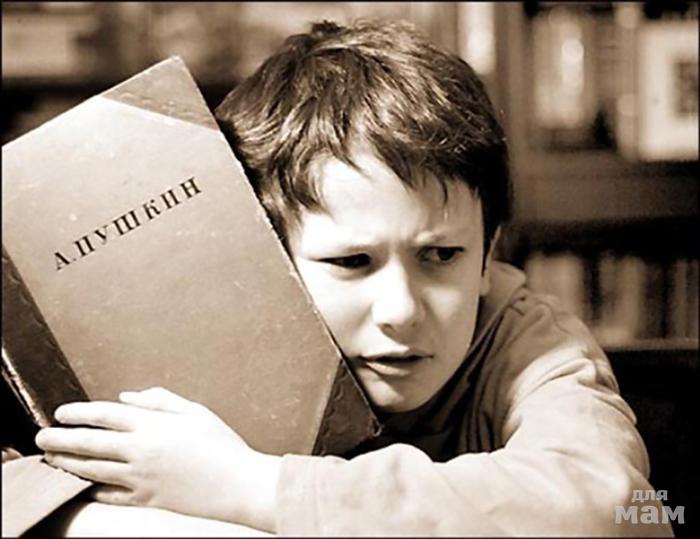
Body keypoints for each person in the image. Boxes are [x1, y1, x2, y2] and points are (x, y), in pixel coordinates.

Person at [34, 19, 671, 536]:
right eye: (351, 262)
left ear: (488, 255)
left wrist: (253, 488)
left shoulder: (530, 342)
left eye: (442, 256)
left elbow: (612, 508)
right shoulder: (203, 329)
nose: (400, 310)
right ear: (263, 258)